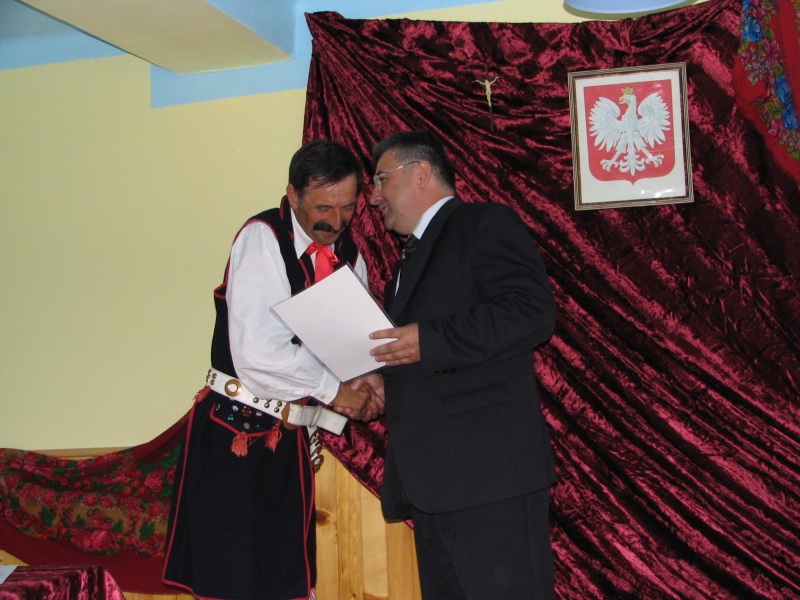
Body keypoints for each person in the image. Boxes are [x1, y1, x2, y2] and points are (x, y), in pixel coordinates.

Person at [163, 139, 383, 600]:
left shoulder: (349, 255)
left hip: (289, 439)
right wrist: (335, 391)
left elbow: (354, 343)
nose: (337, 221)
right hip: (234, 436)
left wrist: (368, 380)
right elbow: (258, 353)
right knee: (234, 579)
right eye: (324, 207)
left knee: (284, 576)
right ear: (292, 194)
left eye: (347, 207)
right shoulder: (263, 237)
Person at [367, 130, 558, 599]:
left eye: (381, 179)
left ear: (422, 173)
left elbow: (530, 312)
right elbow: (429, 359)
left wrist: (426, 341)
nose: (373, 197)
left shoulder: (483, 223)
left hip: (490, 477)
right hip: (433, 486)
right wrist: (383, 383)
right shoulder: (403, 267)